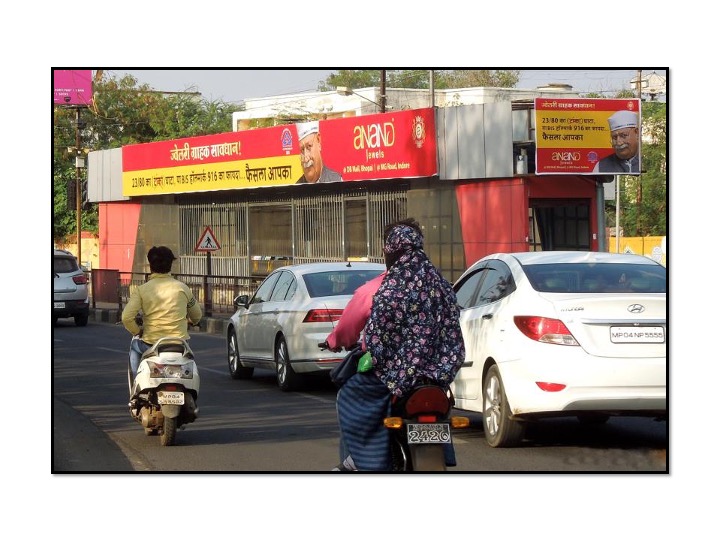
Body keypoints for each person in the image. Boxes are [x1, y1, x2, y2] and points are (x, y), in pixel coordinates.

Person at [328, 218, 465, 471]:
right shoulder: (442, 286)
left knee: (349, 395)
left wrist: (379, 360)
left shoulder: (389, 288)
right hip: (436, 378)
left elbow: (378, 337)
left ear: (391, 251)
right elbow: (454, 333)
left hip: (397, 379)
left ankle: (360, 462)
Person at [122, 246, 203, 391]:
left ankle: (136, 385)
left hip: (150, 344)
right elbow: (196, 315)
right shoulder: (183, 288)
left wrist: (137, 331)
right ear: (170, 264)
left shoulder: (142, 290)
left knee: (134, 346)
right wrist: (193, 322)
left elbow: (127, 317)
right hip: (180, 344)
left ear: (150, 266)